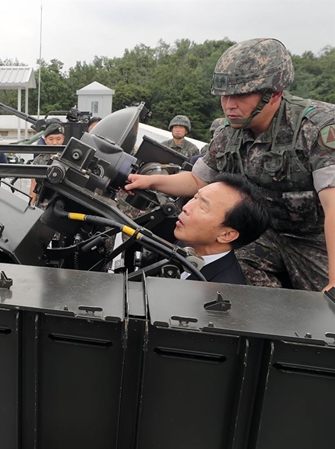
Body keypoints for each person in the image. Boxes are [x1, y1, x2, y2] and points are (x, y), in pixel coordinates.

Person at [125, 38, 335, 293]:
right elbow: (197, 180)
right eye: (225, 96)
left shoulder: (318, 128)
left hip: (315, 241)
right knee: (227, 286)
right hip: (261, 235)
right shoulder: (229, 132)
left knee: (326, 316)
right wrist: (150, 180)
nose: (229, 105)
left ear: (275, 93)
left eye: (241, 95)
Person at [176, 173, 269, 284]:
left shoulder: (219, 291)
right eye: (195, 197)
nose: (186, 207)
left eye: (203, 207)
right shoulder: (187, 241)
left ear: (226, 235)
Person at [29, 124, 65, 205]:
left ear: (63, 139)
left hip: (62, 205)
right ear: (45, 140)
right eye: (51, 139)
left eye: (58, 139)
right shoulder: (39, 160)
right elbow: (33, 186)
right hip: (42, 205)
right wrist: (30, 205)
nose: (55, 143)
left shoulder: (67, 159)